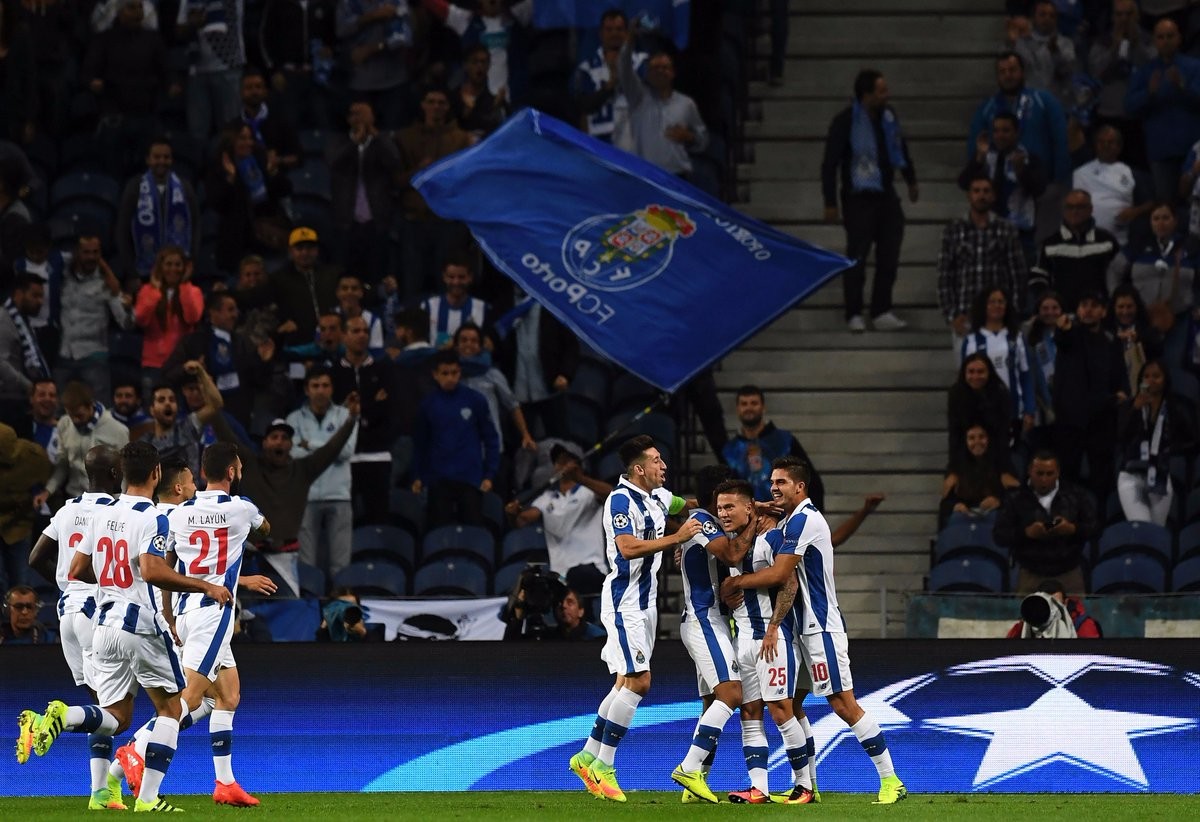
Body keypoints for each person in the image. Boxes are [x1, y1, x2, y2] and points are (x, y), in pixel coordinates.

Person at [14, 441, 233, 813]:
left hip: (104, 626)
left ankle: (62, 716)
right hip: (141, 625)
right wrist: (204, 586)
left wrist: (113, 581)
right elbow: (152, 571)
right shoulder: (153, 517)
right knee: (172, 710)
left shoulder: (101, 514)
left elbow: (76, 570)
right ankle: (148, 800)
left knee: (117, 718)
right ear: (156, 473)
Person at [720, 457, 907, 805]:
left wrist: (738, 582)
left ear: (800, 487)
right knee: (794, 705)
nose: (774, 488)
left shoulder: (804, 520)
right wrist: (761, 506)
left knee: (843, 704)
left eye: (781, 483)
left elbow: (780, 575)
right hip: (800, 630)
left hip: (820, 627)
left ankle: (891, 780)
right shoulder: (791, 519)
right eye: (772, 482)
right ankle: (807, 787)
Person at [568, 434, 699, 803]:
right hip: (624, 603)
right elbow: (627, 548)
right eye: (657, 460)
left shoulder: (659, 497)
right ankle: (604, 766)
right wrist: (677, 538)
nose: (664, 466)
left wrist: (744, 505)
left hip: (646, 604)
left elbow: (687, 505)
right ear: (639, 469)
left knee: (624, 682)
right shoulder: (620, 500)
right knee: (640, 682)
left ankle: (587, 756)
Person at [162, 442, 274, 806]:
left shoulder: (179, 513)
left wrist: (167, 614)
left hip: (185, 611)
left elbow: (166, 568)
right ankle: (135, 751)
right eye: (238, 468)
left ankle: (225, 783)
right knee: (189, 698)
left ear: (202, 472)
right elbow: (265, 529)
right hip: (213, 613)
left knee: (228, 696)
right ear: (231, 472)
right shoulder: (242, 509)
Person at [26, 444, 123, 808]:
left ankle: (98, 794)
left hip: (67, 612)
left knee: (101, 708)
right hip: (98, 613)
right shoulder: (117, 511)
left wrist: (66, 586)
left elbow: (35, 557)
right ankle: (58, 718)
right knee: (117, 713)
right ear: (115, 474)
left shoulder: (67, 510)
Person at [716, 478, 817, 805]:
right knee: (749, 712)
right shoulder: (729, 546)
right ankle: (759, 788)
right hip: (742, 639)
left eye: (729, 507)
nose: (723, 513)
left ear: (749, 508)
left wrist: (774, 626)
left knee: (781, 710)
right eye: (720, 508)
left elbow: (790, 583)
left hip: (773, 640)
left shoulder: (772, 539)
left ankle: (804, 786)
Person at [210, 399, 359, 597]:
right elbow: (226, 435)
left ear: (291, 444)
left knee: (289, 606)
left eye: (284, 438)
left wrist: (351, 420)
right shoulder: (249, 465)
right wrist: (211, 408)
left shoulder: (303, 470)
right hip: (248, 556)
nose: (279, 441)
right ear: (264, 442)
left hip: (285, 559)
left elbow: (332, 448)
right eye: (274, 437)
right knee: (244, 608)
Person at [671, 464, 758, 805]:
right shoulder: (703, 521)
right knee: (732, 694)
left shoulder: (704, 523)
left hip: (706, 620)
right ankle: (689, 768)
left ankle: (695, 785)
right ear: (716, 493)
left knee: (711, 703)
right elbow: (733, 553)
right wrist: (754, 519)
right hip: (704, 620)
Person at [820, 68, 917, 334]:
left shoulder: (889, 117)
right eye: (881, 91)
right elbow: (830, 163)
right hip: (858, 198)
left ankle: (881, 309)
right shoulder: (845, 122)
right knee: (857, 257)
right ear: (866, 95)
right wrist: (830, 201)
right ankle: (853, 312)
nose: (887, 95)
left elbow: (900, 147)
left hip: (886, 194)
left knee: (890, 252)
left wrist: (911, 179)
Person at [505, 442, 611, 596]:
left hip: (591, 569)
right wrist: (512, 514)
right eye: (558, 462)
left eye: (567, 460)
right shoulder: (546, 498)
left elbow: (611, 494)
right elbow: (521, 521)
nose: (561, 465)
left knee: (577, 574)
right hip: (559, 577)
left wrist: (580, 478)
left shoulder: (589, 492)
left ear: (578, 464)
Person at [395, 86, 471, 299]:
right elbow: (395, 180)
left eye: (441, 102)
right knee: (412, 281)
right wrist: (419, 171)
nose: (436, 106)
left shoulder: (461, 139)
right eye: (431, 101)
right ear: (422, 105)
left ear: (448, 107)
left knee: (445, 281)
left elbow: (465, 180)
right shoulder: (404, 138)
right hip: (414, 220)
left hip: (448, 222)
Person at [411, 350, 499, 529]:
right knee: (439, 532)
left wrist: (489, 474)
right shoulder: (427, 405)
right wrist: (418, 476)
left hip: (470, 478)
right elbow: (421, 444)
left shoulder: (476, 400)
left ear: (460, 372)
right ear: (435, 375)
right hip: (438, 479)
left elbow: (491, 438)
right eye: (445, 373)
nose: (450, 378)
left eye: (454, 373)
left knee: (472, 530)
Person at [162, 290, 275, 429]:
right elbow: (168, 374)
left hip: (238, 416)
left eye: (236, 310)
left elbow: (260, 382)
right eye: (230, 310)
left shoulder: (244, 343)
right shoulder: (193, 342)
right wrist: (188, 370)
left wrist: (264, 362)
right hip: (203, 417)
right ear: (213, 313)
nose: (235, 314)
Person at [1053, 291, 1130, 495]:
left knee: (1102, 479)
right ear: (1078, 310)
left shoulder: (1111, 340)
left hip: (1102, 416)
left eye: (1094, 306)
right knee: (1068, 477)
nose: (1088, 310)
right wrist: (1062, 328)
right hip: (1072, 419)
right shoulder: (1071, 334)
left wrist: (1122, 392)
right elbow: (1062, 338)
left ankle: (1101, 513)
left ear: (1103, 312)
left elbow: (1120, 373)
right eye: (1084, 304)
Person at [994, 450, 1099, 594]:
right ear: (1029, 471)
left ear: (1058, 473)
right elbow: (999, 535)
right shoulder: (1015, 498)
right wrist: (1026, 533)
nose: (1044, 479)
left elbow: (1095, 528)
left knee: (1075, 609)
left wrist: (1072, 529)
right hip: (1030, 574)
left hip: (1069, 573)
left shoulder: (1076, 495)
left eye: (1050, 474)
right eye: (1039, 473)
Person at [936, 176, 1026, 344]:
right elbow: (944, 277)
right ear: (969, 195)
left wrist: (1012, 313)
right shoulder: (953, 230)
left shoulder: (1006, 229)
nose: (981, 195)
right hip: (965, 317)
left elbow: (1018, 276)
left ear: (993, 196)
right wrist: (951, 315)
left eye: (986, 191)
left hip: (999, 318)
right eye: (976, 191)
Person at [288, 367, 357, 579]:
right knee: (306, 563)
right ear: (306, 389)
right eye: (315, 386)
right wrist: (330, 446)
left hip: (339, 494)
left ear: (332, 389)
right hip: (306, 496)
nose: (320, 390)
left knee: (341, 564)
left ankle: (341, 597)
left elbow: (346, 451)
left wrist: (308, 444)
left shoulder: (345, 415)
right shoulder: (293, 419)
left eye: (325, 385)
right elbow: (292, 453)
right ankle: (309, 597)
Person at [968, 51, 1070, 190]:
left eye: (1012, 70)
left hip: (1040, 186)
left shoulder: (1045, 101)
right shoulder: (987, 109)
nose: (1007, 75)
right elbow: (975, 147)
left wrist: (1060, 182)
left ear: (1023, 72)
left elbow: (1061, 141)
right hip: (999, 188)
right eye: (1002, 72)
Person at [331, 314, 397, 525]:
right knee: (343, 523)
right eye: (356, 331)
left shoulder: (384, 370)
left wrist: (356, 410)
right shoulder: (333, 373)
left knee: (379, 521)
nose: (362, 335)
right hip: (343, 459)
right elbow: (333, 414)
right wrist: (371, 404)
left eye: (365, 331)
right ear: (344, 336)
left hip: (377, 455)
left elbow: (388, 409)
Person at [1125, 19, 1200, 204]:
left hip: (1192, 149)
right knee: (1165, 205)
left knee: (1195, 202)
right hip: (1161, 151)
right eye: (1161, 37)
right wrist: (1149, 94)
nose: (1165, 41)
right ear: (1154, 41)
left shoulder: (1194, 67)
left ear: (1179, 38)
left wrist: (1183, 88)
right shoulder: (1145, 72)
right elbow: (1130, 107)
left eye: (1170, 36)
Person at [54, 234, 135, 404]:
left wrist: (128, 307)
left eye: (95, 252)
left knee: (100, 410)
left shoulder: (107, 282)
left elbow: (126, 323)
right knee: (59, 409)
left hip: (94, 356)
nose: (91, 257)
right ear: (77, 253)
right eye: (86, 252)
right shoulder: (62, 275)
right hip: (64, 355)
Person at [616, 31, 709, 178]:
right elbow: (624, 66)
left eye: (665, 68)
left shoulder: (686, 104)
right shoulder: (638, 97)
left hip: (678, 177)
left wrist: (689, 137)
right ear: (647, 74)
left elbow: (703, 141)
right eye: (655, 68)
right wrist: (630, 40)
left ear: (673, 73)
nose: (660, 72)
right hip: (647, 176)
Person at [958, 112, 1046, 265]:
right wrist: (978, 159)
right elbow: (964, 183)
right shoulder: (986, 158)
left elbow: (1039, 189)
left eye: (1006, 131)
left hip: (1019, 234)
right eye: (996, 131)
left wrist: (1022, 172)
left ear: (1016, 133)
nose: (1000, 135)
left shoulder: (1029, 158)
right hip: (987, 232)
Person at [327, 100, 401, 280]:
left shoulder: (382, 142)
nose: (359, 118)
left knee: (376, 272)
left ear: (372, 117)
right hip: (347, 220)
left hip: (376, 219)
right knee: (347, 272)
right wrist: (354, 143)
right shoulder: (339, 142)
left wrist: (376, 137)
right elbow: (334, 162)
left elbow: (394, 163)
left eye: (363, 113)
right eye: (354, 114)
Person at [1116, 360, 1197, 525]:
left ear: (1165, 379)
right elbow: (1121, 436)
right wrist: (1135, 409)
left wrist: (1169, 449)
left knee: (1156, 531)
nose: (1150, 380)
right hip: (1131, 475)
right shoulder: (1130, 406)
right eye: (1146, 376)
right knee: (1142, 527)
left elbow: (1193, 441)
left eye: (1156, 376)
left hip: (1160, 475)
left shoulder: (1175, 408)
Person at [206, 123, 292, 272]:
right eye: (242, 138)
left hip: (267, 236)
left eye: (250, 138)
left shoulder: (261, 159)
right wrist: (231, 179)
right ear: (231, 141)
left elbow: (286, 189)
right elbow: (217, 203)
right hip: (238, 240)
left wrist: (273, 172)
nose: (248, 143)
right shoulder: (219, 168)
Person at [722, 385, 825, 508]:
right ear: (737, 409)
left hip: (785, 515)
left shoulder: (785, 441)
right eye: (744, 404)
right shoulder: (730, 450)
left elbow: (811, 481)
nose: (749, 408)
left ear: (763, 407)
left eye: (754, 403)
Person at [115, 137, 201, 280]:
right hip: (143, 272)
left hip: (179, 272)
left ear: (172, 160)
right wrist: (131, 272)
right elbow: (122, 230)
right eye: (156, 157)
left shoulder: (184, 187)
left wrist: (192, 261)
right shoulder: (135, 187)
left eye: (166, 157)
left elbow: (196, 226)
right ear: (148, 160)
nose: (162, 161)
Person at [960, 288, 1035, 442]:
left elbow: (1025, 376)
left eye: (1001, 302)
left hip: (1013, 411)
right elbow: (964, 380)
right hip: (981, 412)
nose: (997, 305)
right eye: (992, 302)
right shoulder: (972, 340)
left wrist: (1029, 409)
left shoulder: (1016, 338)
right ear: (984, 306)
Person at [36, 382, 129, 507]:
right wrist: (48, 490)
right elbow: (63, 464)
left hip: (106, 502)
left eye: (79, 415)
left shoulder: (118, 430)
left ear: (90, 406)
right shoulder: (64, 424)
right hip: (74, 499)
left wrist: (118, 504)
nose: (75, 420)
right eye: (71, 415)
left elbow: (123, 471)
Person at [1087, 0, 1155, 170]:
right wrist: (1114, 47)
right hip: (1108, 115)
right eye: (1119, 14)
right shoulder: (1102, 41)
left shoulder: (1148, 40)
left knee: (1137, 172)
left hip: (1138, 117)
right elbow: (1096, 72)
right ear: (1112, 17)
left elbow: (1153, 67)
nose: (1124, 19)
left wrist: (1136, 43)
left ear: (1137, 16)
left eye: (1129, 14)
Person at [1029, 189, 1120, 312]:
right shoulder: (1050, 243)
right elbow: (1037, 277)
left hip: (1099, 313)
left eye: (1080, 207)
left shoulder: (1107, 241)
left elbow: (1121, 276)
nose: (1074, 211)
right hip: (1062, 314)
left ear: (1090, 209)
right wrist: (1048, 300)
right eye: (1070, 207)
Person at [133, 245, 204, 399]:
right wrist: (156, 291)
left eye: (178, 265)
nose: (173, 269)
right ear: (160, 267)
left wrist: (184, 286)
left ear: (184, 267)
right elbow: (140, 319)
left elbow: (193, 318)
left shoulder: (193, 291)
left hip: (181, 364)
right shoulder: (147, 291)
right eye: (168, 264)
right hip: (154, 363)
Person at [1110, 202, 1198, 322]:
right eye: (1156, 219)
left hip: (1181, 315)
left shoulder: (1190, 247)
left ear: (1175, 221)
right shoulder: (1137, 245)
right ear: (1150, 222)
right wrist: (1117, 299)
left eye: (1166, 218)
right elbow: (1114, 271)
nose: (1161, 223)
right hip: (1141, 316)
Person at [455, 322, 535, 453]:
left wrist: (525, 434)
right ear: (456, 345)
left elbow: (513, 405)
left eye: (474, 341)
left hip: (488, 447)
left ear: (481, 346)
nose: (468, 344)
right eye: (464, 340)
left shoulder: (492, 374)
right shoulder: (450, 373)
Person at [141, 361, 224, 483]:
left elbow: (216, 405)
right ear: (152, 410)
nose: (168, 403)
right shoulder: (146, 443)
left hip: (190, 493)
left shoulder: (187, 427)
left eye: (172, 399)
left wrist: (201, 373)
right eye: (161, 400)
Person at [574, 9, 645, 146]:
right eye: (609, 29)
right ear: (601, 33)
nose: (614, 34)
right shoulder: (587, 68)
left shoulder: (641, 62)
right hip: (599, 144)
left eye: (619, 29)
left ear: (626, 32)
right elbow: (583, 106)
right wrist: (609, 86)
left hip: (635, 143)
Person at [1073, 127, 1153, 247]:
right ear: (1095, 145)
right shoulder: (1080, 173)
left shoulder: (1131, 173)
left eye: (1110, 142)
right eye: (1101, 142)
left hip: (1120, 241)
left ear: (1119, 147)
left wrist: (1134, 212)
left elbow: (1150, 203)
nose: (1105, 146)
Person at [940, 424, 1021, 529]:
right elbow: (945, 504)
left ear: (989, 439)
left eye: (982, 437)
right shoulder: (955, 468)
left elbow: (1018, 498)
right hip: (963, 525)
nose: (977, 442)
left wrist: (999, 502)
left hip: (996, 526)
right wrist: (955, 506)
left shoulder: (1002, 466)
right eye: (971, 438)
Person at [0, 421, 50, 591]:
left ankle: (23, 606)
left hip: (19, 523)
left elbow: (49, 482)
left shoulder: (33, 456)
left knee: (21, 580)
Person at [0, 272, 50, 431]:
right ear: (19, 294)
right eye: (35, 296)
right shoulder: (4, 319)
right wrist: (28, 386)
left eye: (41, 297)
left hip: (20, 399)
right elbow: (1, 362)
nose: (40, 301)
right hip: (7, 401)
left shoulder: (23, 321)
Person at [948, 353, 1013, 463]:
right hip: (964, 452)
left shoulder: (1001, 393)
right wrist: (953, 466)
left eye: (980, 372)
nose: (975, 377)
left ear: (989, 373)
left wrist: (1004, 466)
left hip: (995, 452)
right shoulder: (955, 394)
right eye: (971, 372)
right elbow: (954, 432)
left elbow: (1003, 433)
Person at [419, 255, 490, 348]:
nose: (456, 282)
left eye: (461, 277)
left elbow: (488, 345)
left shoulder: (484, 309)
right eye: (451, 277)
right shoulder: (428, 307)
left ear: (470, 277)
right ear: (444, 277)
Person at [1014, 1, 1077, 104]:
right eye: (1042, 14)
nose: (1047, 19)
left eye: (1052, 16)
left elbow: (1068, 73)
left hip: (1057, 102)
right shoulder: (1022, 43)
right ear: (1033, 18)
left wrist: (1055, 53)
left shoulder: (1066, 43)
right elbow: (1021, 69)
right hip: (1031, 101)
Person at [1006, 578, 1103, 638]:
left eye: (1056, 604)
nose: (1052, 610)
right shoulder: (1027, 623)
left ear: (1066, 603)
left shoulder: (1083, 624)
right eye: (1047, 604)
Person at [1026, 291, 1063, 432]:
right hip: (1042, 404)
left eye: (1055, 308)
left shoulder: (1071, 335)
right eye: (1045, 309)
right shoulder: (1031, 337)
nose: (1050, 312)